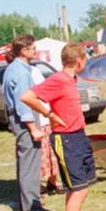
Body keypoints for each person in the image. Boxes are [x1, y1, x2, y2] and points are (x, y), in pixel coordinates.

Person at [21, 43, 103, 211]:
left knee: (81, 189)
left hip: (78, 136)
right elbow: (27, 97)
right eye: (85, 60)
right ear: (78, 61)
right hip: (66, 139)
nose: (85, 64)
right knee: (78, 191)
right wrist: (49, 114)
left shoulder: (71, 80)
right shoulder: (58, 79)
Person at [1, 35, 54, 211]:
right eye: (32, 48)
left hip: (20, 119)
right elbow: (23, 103)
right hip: (26, 121)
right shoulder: (22, 73)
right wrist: (33, 128)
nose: (35, 51)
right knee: (30, 164)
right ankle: (32, 206)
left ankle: (27, 202)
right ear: (23, 51)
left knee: (25, 162)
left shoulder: (13, 69)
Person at [30, 64, 61, 196]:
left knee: (51, 152)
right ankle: (36, 186)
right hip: (36, 120)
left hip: (45, 119)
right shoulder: (21, 73)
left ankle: (53, 181)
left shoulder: (35, 70)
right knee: (39, 155)